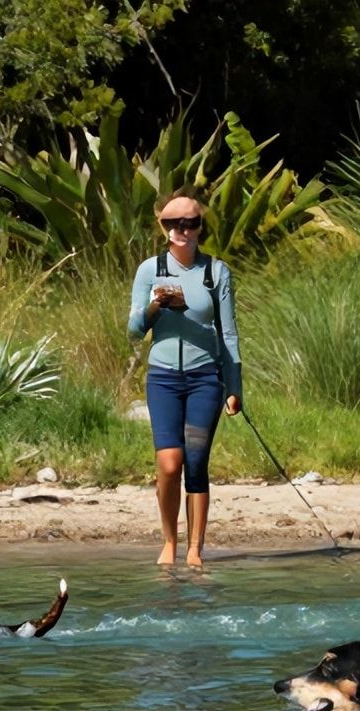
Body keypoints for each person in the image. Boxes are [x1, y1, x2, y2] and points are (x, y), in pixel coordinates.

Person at [127, 190, 242, 567]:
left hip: (205, 378)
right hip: (162, 377)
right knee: (169, 464)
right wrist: (156, 305)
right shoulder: (149, 270)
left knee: (195, 461)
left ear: (199, 227)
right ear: (162, 227)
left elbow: (228, 333)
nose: (182, 229)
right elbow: (132, 330)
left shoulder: (216, 271)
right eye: (173, 223)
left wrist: (234, 386)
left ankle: (195, 548)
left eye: (189, 223)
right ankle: (168, 542)